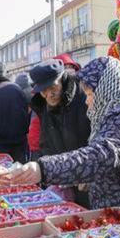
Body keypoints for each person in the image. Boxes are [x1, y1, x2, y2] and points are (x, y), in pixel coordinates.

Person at [6, 57, 120, 227]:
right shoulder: (111, 112)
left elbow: (103, 155)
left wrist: (44, 169)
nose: (87, 101)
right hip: (115, 213)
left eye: (90, 94)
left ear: (106, 89)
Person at [29, 59, 91, 208]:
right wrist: (51, 172)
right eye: (43, 90)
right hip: (63, 180)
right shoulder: (43, 104)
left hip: (87, 178)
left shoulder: (84, 98)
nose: (49, 94)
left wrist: (90, 172)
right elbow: (46, 143)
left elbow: (96, 140)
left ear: (62, 80)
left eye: (53, 88)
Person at [0, 61, 30, 162]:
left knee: (3, 172)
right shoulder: (17, 88)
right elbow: (26, 112)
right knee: (20, 170)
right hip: (19, 140)